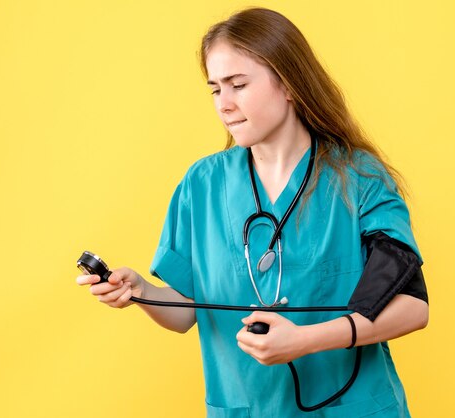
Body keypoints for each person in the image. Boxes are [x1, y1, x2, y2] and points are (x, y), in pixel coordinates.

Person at [77, 7, 429, 418]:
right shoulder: (202, 185)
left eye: (238, 85)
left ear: (290, 85)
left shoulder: (358, 179)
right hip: (247, 407)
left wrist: (307, 340)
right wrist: (140, 292)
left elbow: (412, 306)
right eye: (214, 89)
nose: (224, 104)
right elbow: (188, 311)